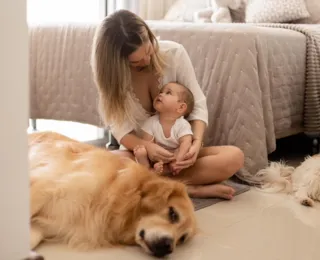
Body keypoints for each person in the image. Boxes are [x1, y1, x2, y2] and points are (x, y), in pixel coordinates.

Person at [91, 9, 244, 200]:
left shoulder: (174, 53)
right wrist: (148, 148)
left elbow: (197, 104)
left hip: (180, 155)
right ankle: (188, 189)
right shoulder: (113, 81)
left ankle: (152, 185)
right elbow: (120, 130)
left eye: (148, 50)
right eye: (136, 62)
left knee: (234, 157)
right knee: (102, 164)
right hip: (143, 158)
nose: (147, 60)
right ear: (118, 63)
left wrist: (195, 143)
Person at [134, 82, 195, 175]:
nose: (160, 94)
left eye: (168, 93)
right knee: (141, 151)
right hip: (156, 157)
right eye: (161, 92)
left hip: (173, 157)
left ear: (181, 107)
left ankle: (158, 172)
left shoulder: (182, 125)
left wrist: (178, 160)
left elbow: (186, 143)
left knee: (183, 151)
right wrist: (156, 159)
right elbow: (148, 143)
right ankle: (148, 168)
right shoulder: (151, 122)